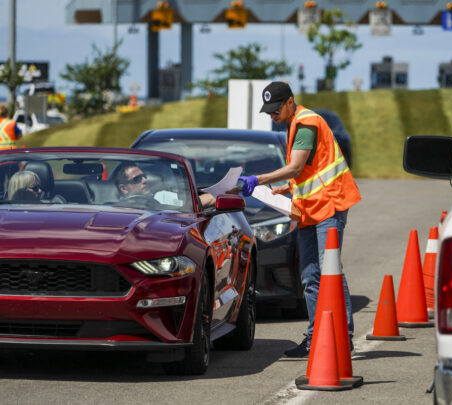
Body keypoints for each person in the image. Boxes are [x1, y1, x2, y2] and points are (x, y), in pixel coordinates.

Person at [238, 81, 361, 357]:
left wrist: (259, 179)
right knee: (309, 275)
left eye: (276, 109)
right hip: (310, 209)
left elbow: (295, 167)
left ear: (290, 102)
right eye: (269, 111)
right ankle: (316, 337)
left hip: (329, 205)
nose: (273, 115)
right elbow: (309, 171)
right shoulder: (293, 124)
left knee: (329, 271)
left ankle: (344, 336)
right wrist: (288, 188)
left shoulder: (306, 123)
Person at [114, 163, 216, 208]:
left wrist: (222, 193)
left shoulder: (163, 196)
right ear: (123, 188)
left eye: (144, 176)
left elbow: (193, 203)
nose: (145, 180)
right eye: (137, 179)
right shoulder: (113, 208)